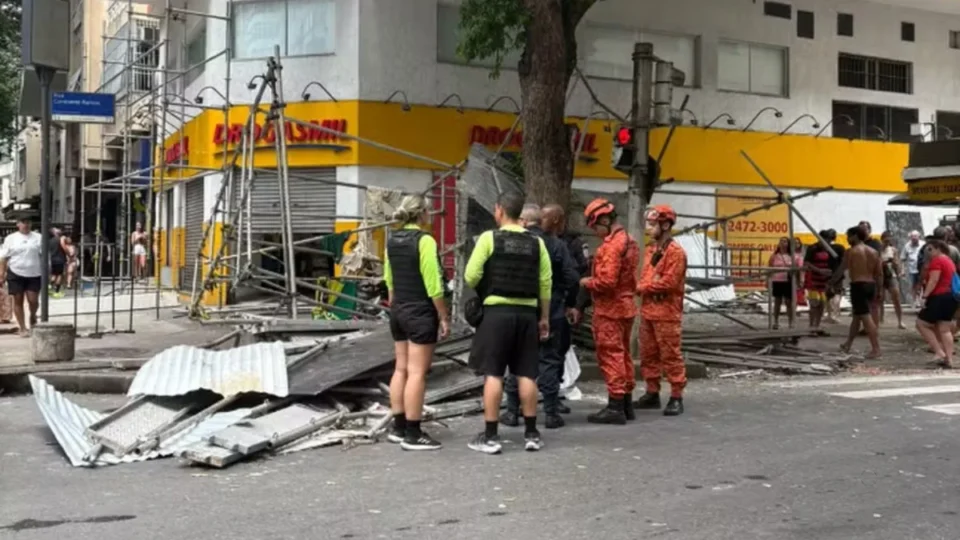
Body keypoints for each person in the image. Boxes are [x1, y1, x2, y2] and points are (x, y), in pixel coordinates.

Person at [464, 191, 552, 454]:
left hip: (496, 314)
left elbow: (471, 275)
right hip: (526, 314)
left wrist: (487, 288)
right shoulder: (538, 244)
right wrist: (544, 317)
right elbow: (545, 282)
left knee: (493, 374)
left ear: (499, 210)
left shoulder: (490, 238)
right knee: (526, 373)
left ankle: (491, 437)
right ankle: (532, 434)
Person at [501, 204, 579, 430]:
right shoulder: (556, 244)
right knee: (549, 360)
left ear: (523, 221)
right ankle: (552, 413)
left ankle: (513, 412)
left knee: (517, 360)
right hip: (552, 309)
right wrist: (565, 299)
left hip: (519, 309)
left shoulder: (513, 244)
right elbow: (572, 276)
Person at [383, 195, 450, 451]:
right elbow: (434, 285)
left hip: (398, 309)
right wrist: (443, 316)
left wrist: (395, 306)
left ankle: (398, 427)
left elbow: (388, 279)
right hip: (420, 311)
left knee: (400, 369)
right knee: (417, 373)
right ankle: (413, 433)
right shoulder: (425, 241)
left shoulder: (392, 240)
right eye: (428, 211)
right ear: (421, 213)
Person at [579, 198, 640, 425]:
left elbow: (607, 282)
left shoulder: (612, 246)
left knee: (611, 355)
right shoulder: (630, 241)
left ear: (604, 219)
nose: (595, 232)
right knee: (623, 355)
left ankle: (615, 406)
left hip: (610, 310)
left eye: (595, 227)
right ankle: (625, 403)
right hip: (626, 307)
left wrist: (587, 282)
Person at [634, 205, 688, 416]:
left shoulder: (676, 253)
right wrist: (646, 285)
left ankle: (676, 395)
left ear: (665, 225)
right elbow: (649, 277)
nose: (648, 228)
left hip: (666, 313)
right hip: (648, 310)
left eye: (652, 224)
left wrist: (642, 287)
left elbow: (669, 283)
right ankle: (652, 392)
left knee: (670, 355)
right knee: (648, 354)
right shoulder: (651, 250)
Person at [832, 226, 882, 358]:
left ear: (854, 236)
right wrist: (879, 289)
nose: (847, 239)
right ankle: (848, 344)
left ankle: (876, 349)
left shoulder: (851, 252)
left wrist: (830, 283)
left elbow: (841, 269)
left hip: (859, 285)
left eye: (848, 236)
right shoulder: (874, 252)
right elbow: (879, 274)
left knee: (865, 317)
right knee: (857, 316)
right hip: (871, 284)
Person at [915, 240, 957, 368]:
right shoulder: (949, 261)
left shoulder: (937, 261)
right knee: (944, 329)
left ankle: (939, 352)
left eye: (930, 249)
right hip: (950, 297)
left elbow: (933, 280)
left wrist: (925, 296)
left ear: (938, 248)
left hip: (939, 296)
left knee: (921, 323)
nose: (928, 253)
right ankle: (949, 359)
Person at [0, 217, 43, 337]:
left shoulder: (38, 237)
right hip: (15, 272)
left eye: (28, 222)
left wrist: (48, 272)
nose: (26, 225)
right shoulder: (11, 238)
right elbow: (4, 257)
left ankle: (33, 316)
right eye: (23, 223)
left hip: (34, 273)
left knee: (33, 301)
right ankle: (23, 328)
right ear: (18, 224)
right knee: (18, 300)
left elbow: (44, 256)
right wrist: (1, 274)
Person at [768, 237, 801, 329]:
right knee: (777, 302)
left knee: (789, 302)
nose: (783, 243)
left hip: (789, 281)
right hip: (777, 280)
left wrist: (799, 281)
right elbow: (769, 269)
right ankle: (775, 321)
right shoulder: (774, 256)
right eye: (781, 241)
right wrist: (768, 281)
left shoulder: (793, 256)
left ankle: (791, 322)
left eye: (785, 241)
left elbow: (798, 269)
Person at [803, 232, 834, 329]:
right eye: (826, 240)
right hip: (813, 280)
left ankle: (817, 325)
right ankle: (811, 326)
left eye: (829, 240)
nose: (828, 242)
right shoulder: (812, 248)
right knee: (814, 303)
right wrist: (819, 270)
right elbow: (807, 263)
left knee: (822, 304)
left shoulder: (830, 250)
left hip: (824, 281)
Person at [879, 231, 906, 329]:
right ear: (882, 240)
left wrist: (898, 271)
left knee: (896, 298)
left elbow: (897, 262)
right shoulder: (878, 250)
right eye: (886, 241)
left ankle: (900, 321)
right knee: (880, 298)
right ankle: (880, 319)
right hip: (880, 275)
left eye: (889, 241)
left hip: (891, 275)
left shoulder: (893, 250)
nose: (887, 243)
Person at [823, 229, 846, 324]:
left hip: (825, 272)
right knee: (837, 293)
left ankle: (829, 314)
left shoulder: (824, 247)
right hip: (837, 273)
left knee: (828, 294)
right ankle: (834, 315)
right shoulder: (840, 247)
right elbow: (844, 262)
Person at [901, 230, 923, 308]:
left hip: (921, 269)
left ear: (918, 237)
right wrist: (903, 270)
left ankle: (920, 300)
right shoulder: (907, 246)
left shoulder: (923, 244)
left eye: (915, 237)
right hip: (912, 269)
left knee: (921, 285)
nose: (913, 239)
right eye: (912, 237)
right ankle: (915, 301)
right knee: (913, 285)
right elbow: (903, 258)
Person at [48, 228, 67, 298]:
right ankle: (56, 291)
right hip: (60, 259)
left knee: (53, 274)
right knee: (59, 275)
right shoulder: (60, 239)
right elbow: (65, 245)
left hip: (52, 259)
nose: (59, 230)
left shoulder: (49, 241)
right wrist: (67, 252)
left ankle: (49, 286)